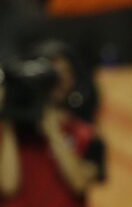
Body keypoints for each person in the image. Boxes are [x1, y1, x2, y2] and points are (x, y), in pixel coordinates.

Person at [0, 41, 105, 207]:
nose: (58, 81)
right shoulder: (9, 130)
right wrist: (9, 119)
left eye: (65, 73)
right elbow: (7, 185)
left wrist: (53, 131)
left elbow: (79, 183)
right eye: (51, 74)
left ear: (74, 79)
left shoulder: (85, 135)